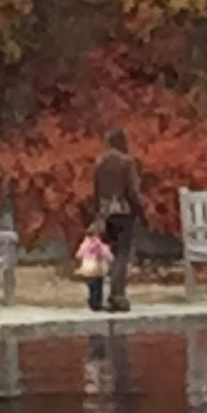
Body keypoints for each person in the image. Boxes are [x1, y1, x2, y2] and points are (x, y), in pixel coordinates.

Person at [90, 127, 144, 313]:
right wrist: (140, 210)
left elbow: (96, 192)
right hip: (123, 212)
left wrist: (97, 215)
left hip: (104, 214)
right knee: (122, 254)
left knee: (103, 254)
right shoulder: (127, 162)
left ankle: (96, 296)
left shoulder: (100, 162)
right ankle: (117, 294)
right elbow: (133, 192)